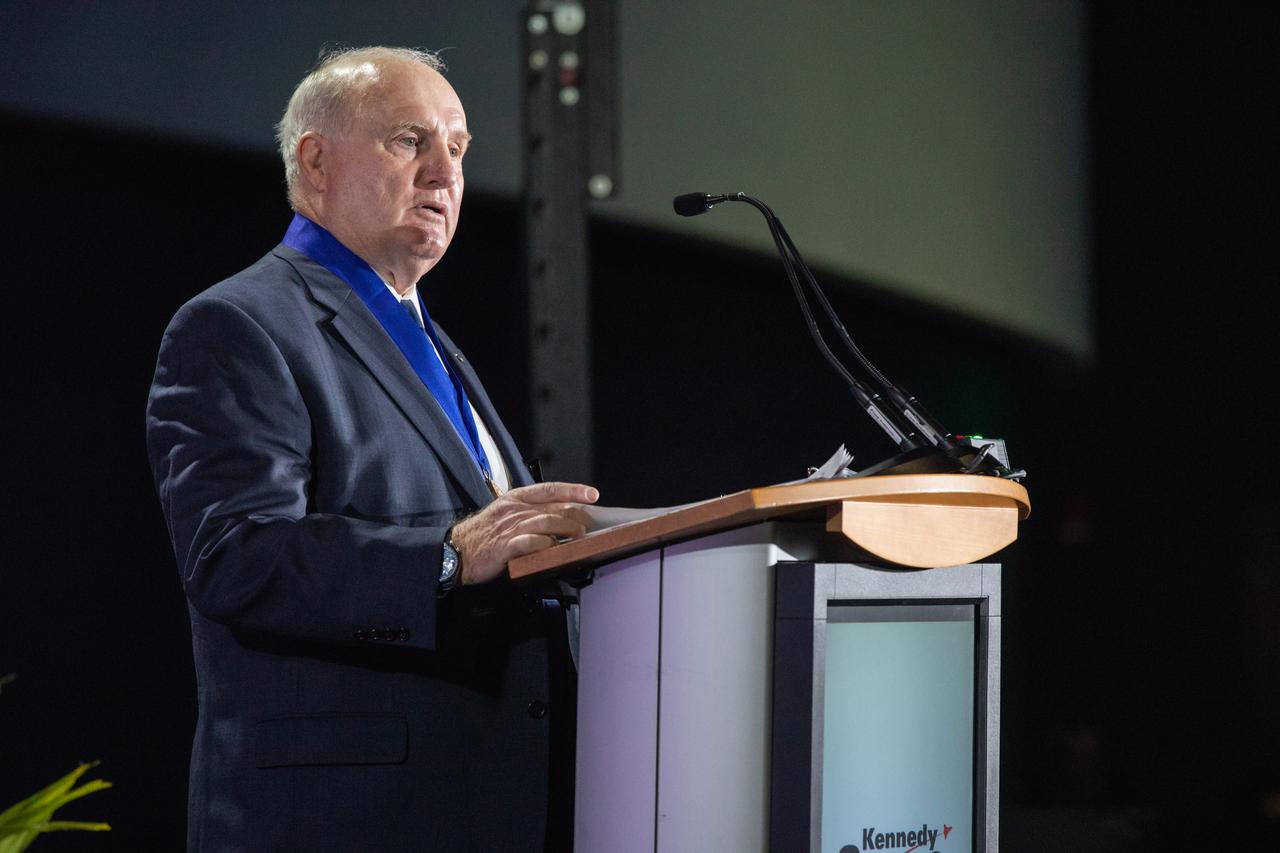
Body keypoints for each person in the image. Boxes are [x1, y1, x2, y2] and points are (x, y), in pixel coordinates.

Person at [146, 46, 595, 852]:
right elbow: (236, 555)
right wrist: (448, 557)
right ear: (317, 162)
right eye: (409, 141)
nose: (445, 173)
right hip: (342, 819)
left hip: (477, 805)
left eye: (457, 147)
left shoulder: (427, 342)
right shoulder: (237, 325)